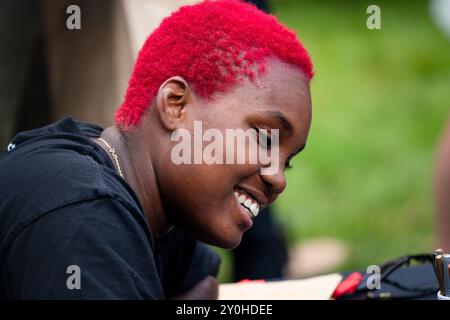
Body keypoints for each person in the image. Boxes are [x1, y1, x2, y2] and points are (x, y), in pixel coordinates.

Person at [0, 0, 313, 299]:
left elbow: (202, 280)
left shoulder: (151, 194)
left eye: (287, 162)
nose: (278, 179)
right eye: (264, 138)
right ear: (176, 105)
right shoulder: (83, 212)